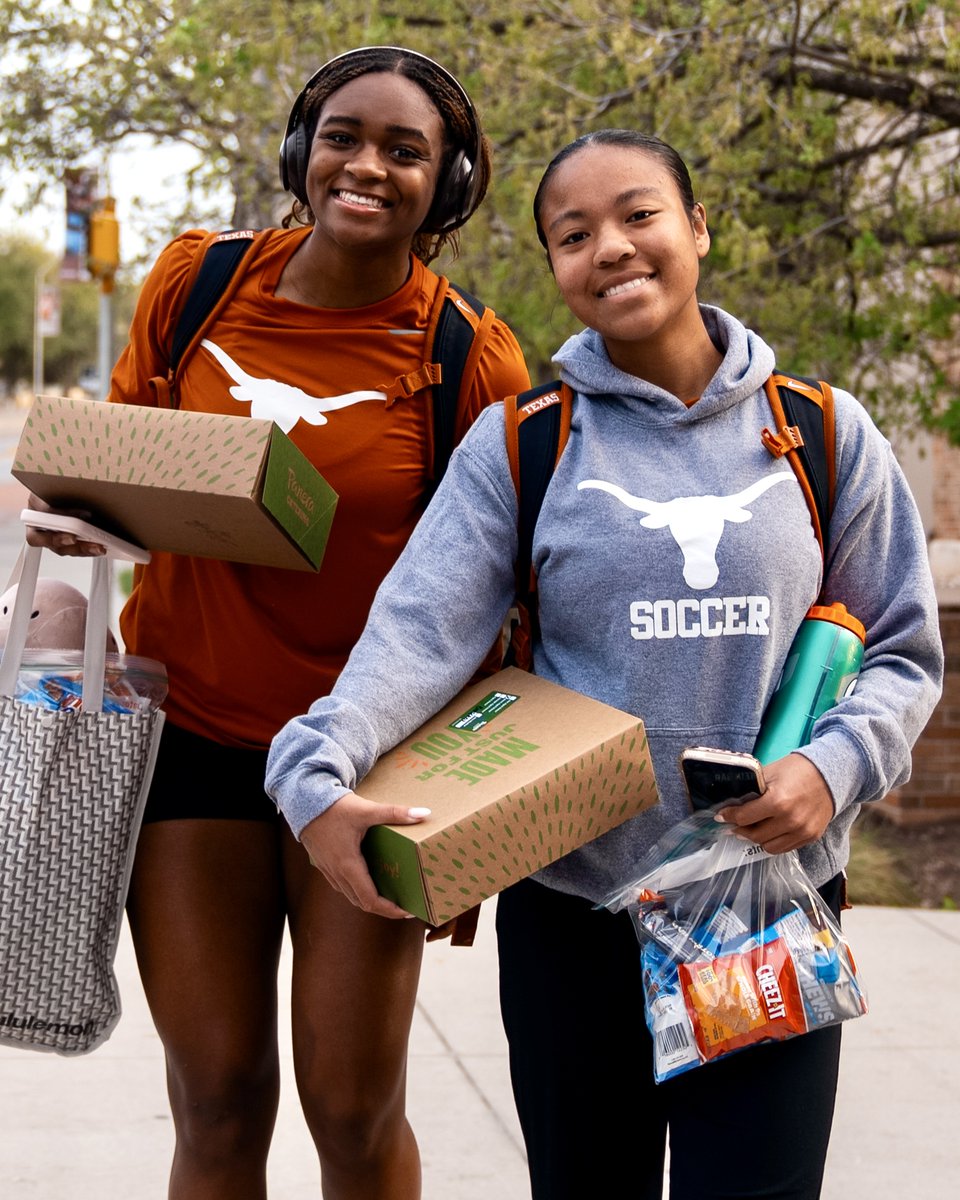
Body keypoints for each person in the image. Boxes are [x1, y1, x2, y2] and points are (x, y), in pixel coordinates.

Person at [264, 129, 944, 1199]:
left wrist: (834, 770)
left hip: (759, 910)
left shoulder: (819, 431)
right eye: (573, 235)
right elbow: (416, 638)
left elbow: (901, 645)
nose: (611, 248)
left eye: (639, 215)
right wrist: (315, 771)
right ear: (557, 272)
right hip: (575, 920)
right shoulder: (524, 443)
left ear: (698, 229)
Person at [28, 46, 530, 1200]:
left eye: (407, 151)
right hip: (192, 741)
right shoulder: (197, 287)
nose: (368, 166)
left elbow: (504, 593)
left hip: (368, 758)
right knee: (214, 1097)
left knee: (354, 1112)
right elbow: (114, 473)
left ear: (446, 185)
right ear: (303, 151)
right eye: (344, 135)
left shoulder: (466, 355)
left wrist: (477, 820)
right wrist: (63, 523)